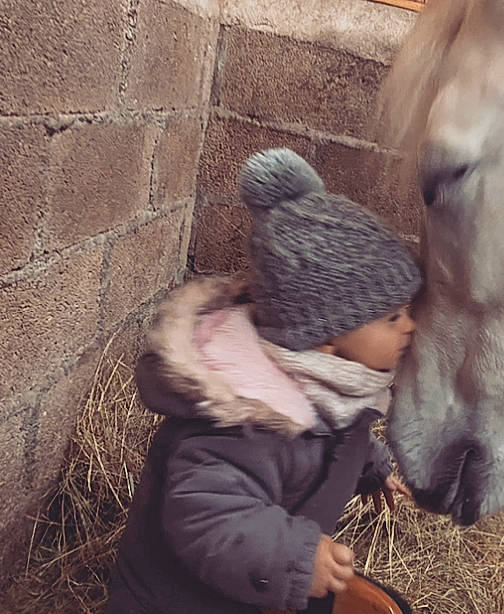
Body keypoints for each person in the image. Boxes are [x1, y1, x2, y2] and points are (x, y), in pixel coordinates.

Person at [106, 148, 422, 614]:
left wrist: (372, 469)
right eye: (393, 316)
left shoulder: (325, 385)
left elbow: (332, 437)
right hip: (184, 600)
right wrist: (296, 558)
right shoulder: (243, 419)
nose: (410, 326)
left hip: (257, 585)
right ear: (326, 336)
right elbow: (207, 516)